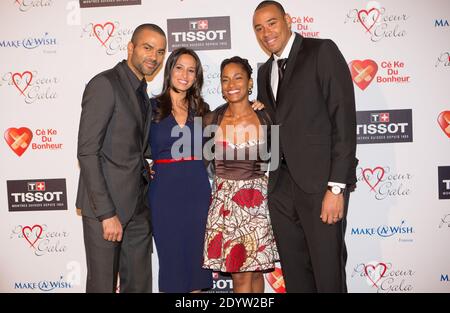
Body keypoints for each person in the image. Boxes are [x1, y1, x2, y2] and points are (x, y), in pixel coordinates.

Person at [253, 1, 357, 292]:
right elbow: (278, 127)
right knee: (296, 277)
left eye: (272, 23)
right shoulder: (264, 72)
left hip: (321, 186)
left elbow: (344, 122)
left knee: (328, 275)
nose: (266, 33)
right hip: (281, 189)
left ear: (287, 20)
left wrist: (336, 187)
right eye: (259, 28)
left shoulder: (321, 51)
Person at [76, 24, 166, 293]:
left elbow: (136, 146)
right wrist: (107, 214)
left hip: (138, 208)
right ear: (131, 48)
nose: (154, 57)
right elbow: (88, 152)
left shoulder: (142, 93)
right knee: (103, 285)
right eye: (147, 48)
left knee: (139, 285)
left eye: (160, 51)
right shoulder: (104, 84)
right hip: (107, 209)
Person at [202, 56, 279, 293]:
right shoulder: (210, 120)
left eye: (238, 78)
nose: (231, 84)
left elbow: (276, 162)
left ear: (249, 83)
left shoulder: (267, 117)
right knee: (240, 276)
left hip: (257, 204)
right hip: (226, 206)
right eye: (225, 80)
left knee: (256, 275)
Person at [147, 47, 213, 293]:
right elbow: (130, 145)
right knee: (172, 263)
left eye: (191, 70)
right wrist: (143, 167)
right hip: (164, 195)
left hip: (198, 193)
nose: (184, 75)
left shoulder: (203, 111)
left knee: (198, 266)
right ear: (170, 69)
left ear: (197, 76)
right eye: (179, 68)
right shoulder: (150, 107)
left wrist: (255, 107)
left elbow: (229, 138)